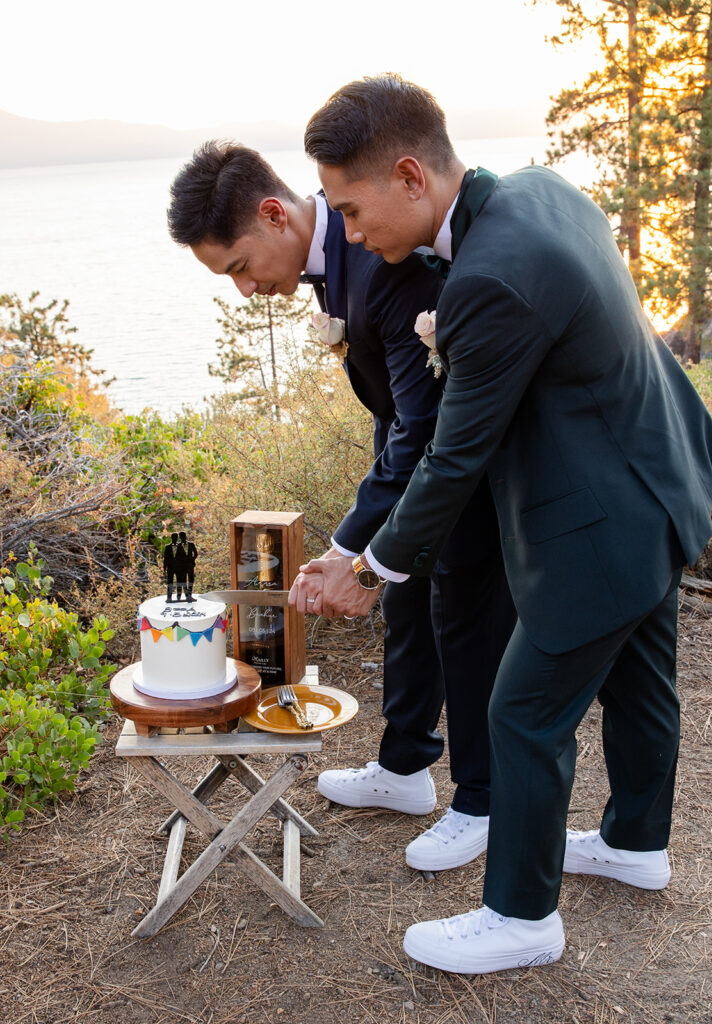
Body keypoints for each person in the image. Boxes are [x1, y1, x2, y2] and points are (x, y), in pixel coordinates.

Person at [297, 73, 712, 975]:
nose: (347, 233)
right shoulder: (543, 190)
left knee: (523, 710)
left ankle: (521, 916)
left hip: (607, 518)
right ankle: (636, 844)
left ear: (410, 176)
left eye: (348, 207)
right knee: (643, 682)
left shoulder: (489, 278)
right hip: (666, 474)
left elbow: (453, 457)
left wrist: (366, 569)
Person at [167, 143, 516, 872]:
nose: (244, 290)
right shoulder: (334, 264)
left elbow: (425, 427)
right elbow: (397, 418)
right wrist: (366, 541)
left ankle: (482, 801)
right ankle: (405, 766)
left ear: (274, 215)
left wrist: (351, 541)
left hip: (467, 476)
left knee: (467, 626)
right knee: (410, 609)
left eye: (238, 266)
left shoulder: (385, 257)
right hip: (414, 463)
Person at [163, 532, 179, 602]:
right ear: (171, 538)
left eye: (176, 537)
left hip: (179, 567)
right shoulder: (167, 547)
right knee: (170, 583)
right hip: (170, 567)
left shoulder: (180, 546)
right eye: (173, 537)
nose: (175, 539)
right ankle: (169, 597)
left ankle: (179, 597)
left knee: (179, 582)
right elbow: (165, 558)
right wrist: (164, 567)